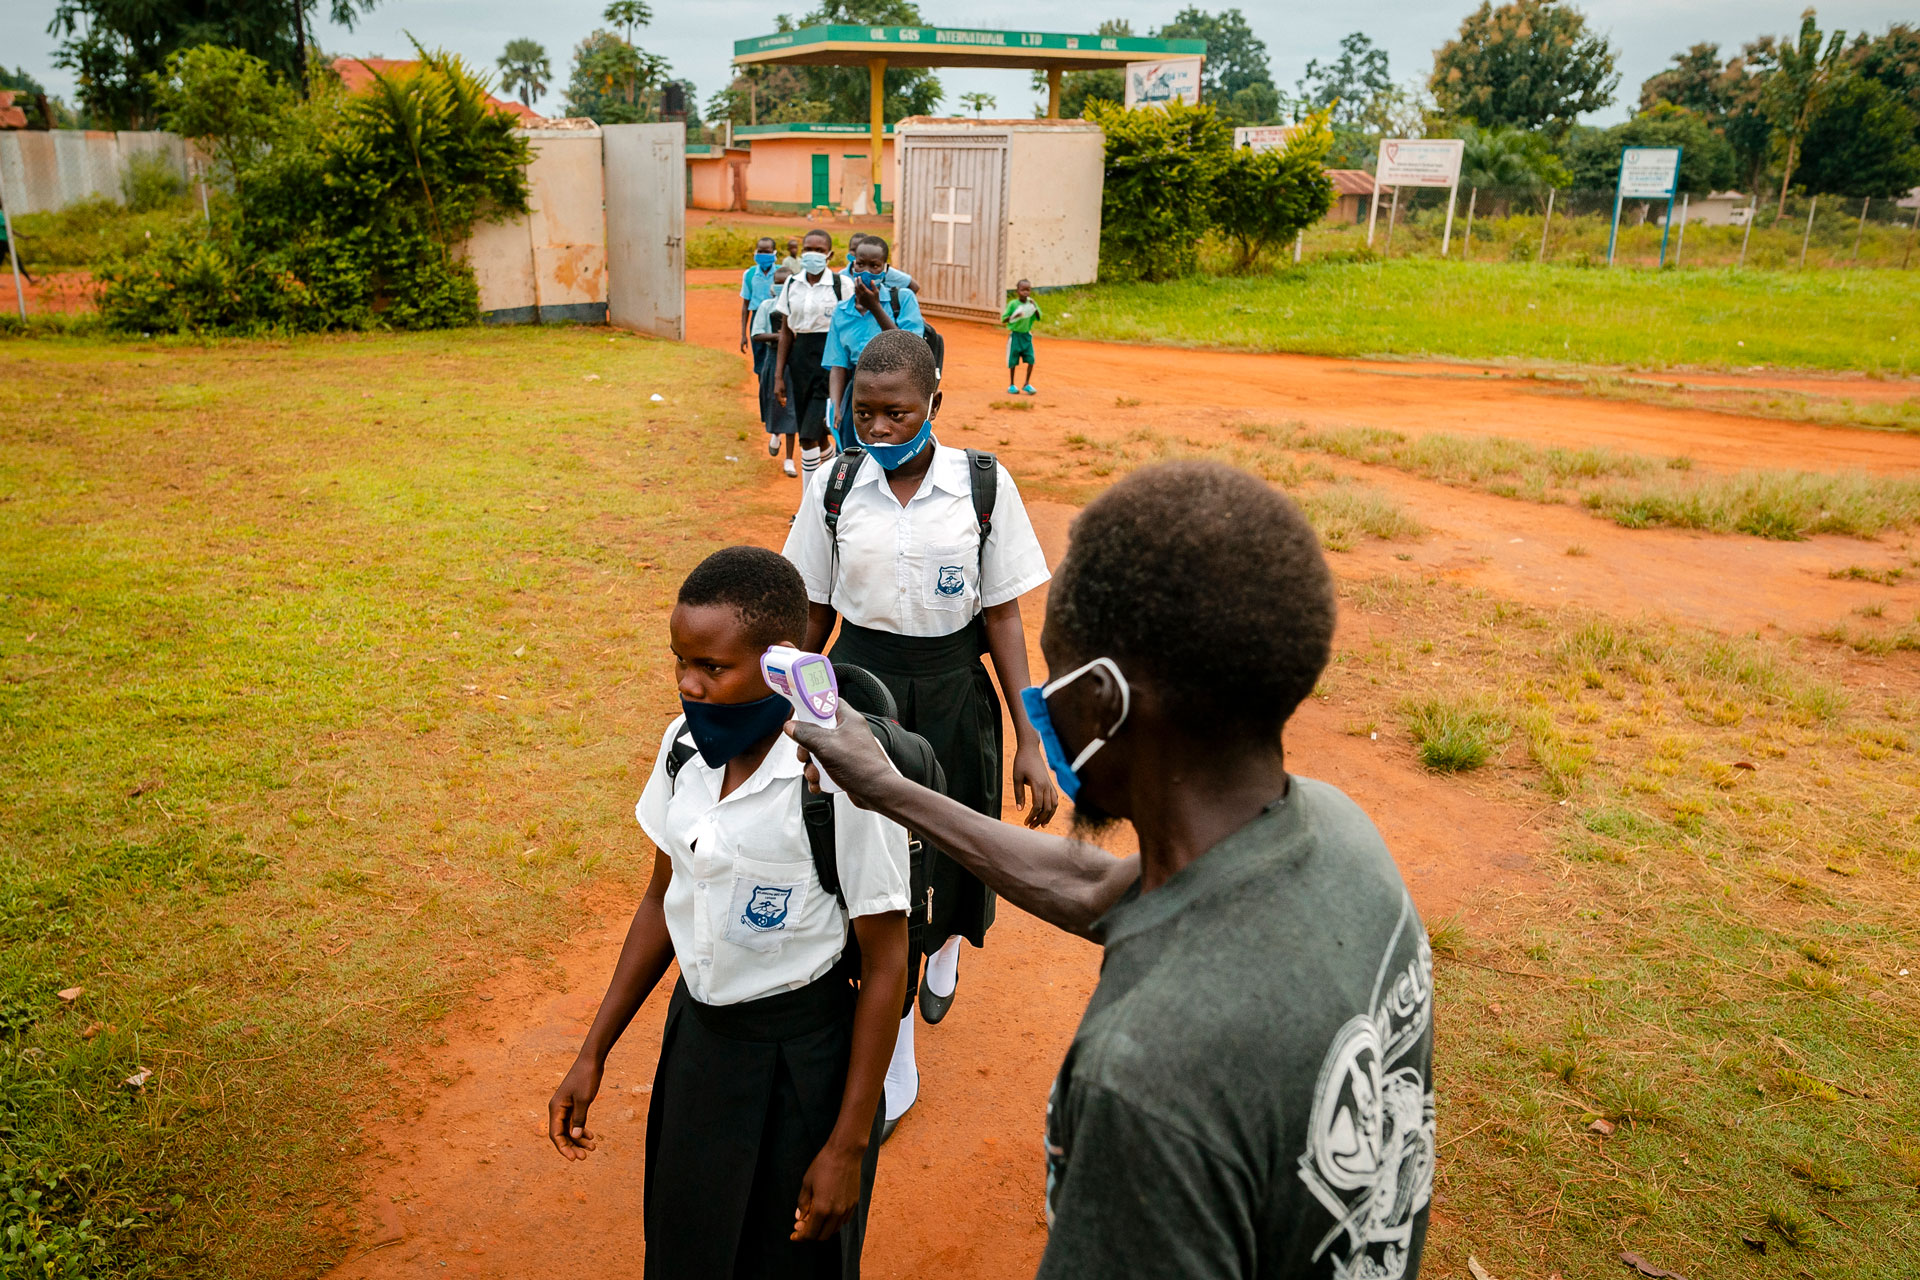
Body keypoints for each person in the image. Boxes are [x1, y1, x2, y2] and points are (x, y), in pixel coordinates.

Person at [790, 461, 1435, 1280]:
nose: (1042, 699)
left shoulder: (1146, 1079)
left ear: (1104, 701)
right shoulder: (1338, 836)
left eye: (1054, 674)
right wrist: (889, 789)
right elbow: (1099, 887)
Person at [548, 546, 910, 1279]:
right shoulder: (683, 748)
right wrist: (594, 1050)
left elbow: (887, 962)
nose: (689, 684)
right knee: (687, 1250)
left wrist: (847, 1146)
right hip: (702, 1046)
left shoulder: (841, 774)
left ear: (784, 660)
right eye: (681, 660)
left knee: (791, 1265)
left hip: (804, 1059)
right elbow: (661, 900)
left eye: (713, 668)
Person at [782, 329, 1059, 1137]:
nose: (878, 428)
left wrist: (1029, 739)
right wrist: (792, 713)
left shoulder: (980, 485)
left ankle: (944, 951)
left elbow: (1003, 614)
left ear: (934, 404)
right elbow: (815, 611)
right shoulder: (832, 487)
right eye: (863, 412)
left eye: (898, 412)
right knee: (874, 869)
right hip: (863, 693)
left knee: (951, 844)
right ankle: (895, 1064)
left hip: (952, 693)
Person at [822, 236, 925, 446]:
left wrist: (875, 307)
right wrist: (836, 406)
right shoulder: (842, 311)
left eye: (875, 265)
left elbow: (909, 349)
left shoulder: (902, 299)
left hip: (898, 391)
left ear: (885, 269)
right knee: (854, 455)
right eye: (860, 264)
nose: (866, 270)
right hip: (859, 393)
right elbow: (839, 366)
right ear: (852, 266)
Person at [772, 229, 845, 480]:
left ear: (829, 254)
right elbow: (786, 332)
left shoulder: (840, 285)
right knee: (816, 432)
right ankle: (833, 471)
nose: (812, 254)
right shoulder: (792, 284)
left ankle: (808, 509)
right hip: (800, 359)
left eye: (819, 250)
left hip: (831, 361)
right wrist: (778, 375)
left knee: (807, 436)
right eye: (808, 249)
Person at [753, 267, 801, 474]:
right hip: (773, 360)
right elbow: (757, 334)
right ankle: (775, 434)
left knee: (791, 409)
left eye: (785, 282)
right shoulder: (766, 306)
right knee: (773, 402)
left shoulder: (799, 306)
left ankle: (789, 459)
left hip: (795, 361)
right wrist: (781, 337)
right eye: (777, 282)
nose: (780, 286)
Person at [740, 236, 781, 360]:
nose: (763, 254)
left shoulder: (781, 273)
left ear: (774, 253)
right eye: (760, 251)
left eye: (767, 252)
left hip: (777, 316)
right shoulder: (750, 274)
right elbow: (745, 305)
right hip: (757, 317)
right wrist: (743, 334)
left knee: (777, 355)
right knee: (759, 356)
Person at [1001, 279, 1040, 395]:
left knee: (1031, 359)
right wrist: (1014, 315)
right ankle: (1012, 384)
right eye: (1023, 290)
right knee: (1013, 361)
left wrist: (1035, 307)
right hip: (1015, 336)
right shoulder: (1013, 304)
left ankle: (1026, 383)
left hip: (1026, 336)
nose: (1025, 293)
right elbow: (1004, 319)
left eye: (1028, 290)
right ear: (1017, 291)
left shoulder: (1031, 303)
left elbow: (1038, 317)